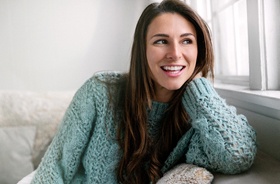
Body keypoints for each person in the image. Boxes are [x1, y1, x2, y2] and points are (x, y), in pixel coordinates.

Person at [30, 0, 257, 183]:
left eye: (187, 41)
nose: (175, 53)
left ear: (200, 49)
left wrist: (199, 87)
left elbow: (238, 156)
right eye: (161, 41)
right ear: (142, 50)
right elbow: (53, 170)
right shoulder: (100, 90)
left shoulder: (199, 114)